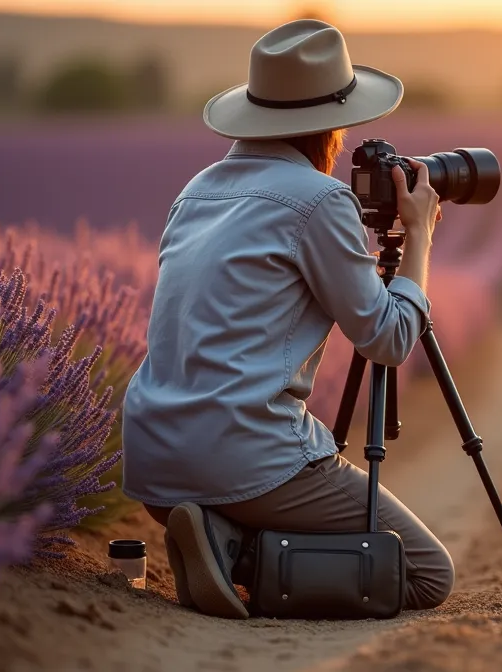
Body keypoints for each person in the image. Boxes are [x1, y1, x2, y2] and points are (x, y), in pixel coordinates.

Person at [120, 19, 453, 619]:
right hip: (244, 461)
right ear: (332, 125)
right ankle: (236, 552)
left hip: (154, 463)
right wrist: (420, 235)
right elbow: (388, 339)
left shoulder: (195, 192)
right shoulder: (320, 200)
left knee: (264, 482)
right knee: (427, 573)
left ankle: (218, 530)